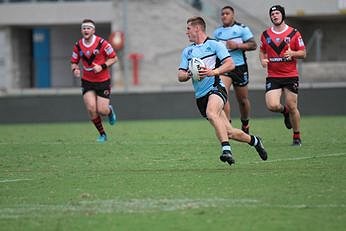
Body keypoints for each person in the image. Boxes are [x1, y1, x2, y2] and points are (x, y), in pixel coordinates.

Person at [178, 16, 267, 166]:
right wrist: (189, 74)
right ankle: (255, 141)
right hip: (201, 96)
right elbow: (180, 76)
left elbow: (230, 64)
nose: (186, 32)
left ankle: (226, 150)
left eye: (188, 29)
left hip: (216, 87)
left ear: (197, 28)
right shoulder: (188, 51)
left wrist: (213, 72)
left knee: (211, 113)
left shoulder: (215, 45)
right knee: (230, 132)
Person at [259, 5, 306, 146]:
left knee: (293, 106)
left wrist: (293, 54)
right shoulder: (265, 34)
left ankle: (296, 136)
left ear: (282, 15)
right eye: (272, 14)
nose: (274, 16)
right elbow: (262, 51)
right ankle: (284, 112)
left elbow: (303, 53)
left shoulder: (294, 33)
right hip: (273, 76)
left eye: (277, 13)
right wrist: (262, 59)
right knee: (272, 105)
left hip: (290, 75)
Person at [70, 19, 118, 143]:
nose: (86, 30)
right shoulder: (78, 45)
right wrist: (75, 69)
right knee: (91, 108)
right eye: (84, 28)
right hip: (87, 81)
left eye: (88, 28)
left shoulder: (103, 43)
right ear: (81, 30)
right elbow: (74, 61)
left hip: (103, 81)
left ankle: (110, 110)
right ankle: (102, 134)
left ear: (93, 30)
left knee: (102, 110)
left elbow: (114, 58)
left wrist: (101, 66)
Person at [213, 6, 257, 134]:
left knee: (242, 100)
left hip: (239, 67)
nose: (224, 16)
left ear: (233, 15)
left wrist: (238, 45)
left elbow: (253, 45)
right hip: (224, 67)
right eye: (222, 14)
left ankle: (245, 123)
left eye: (227, 13)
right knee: (223, 95)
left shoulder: (242, 29)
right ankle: (228, 126)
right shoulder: (218, 32)